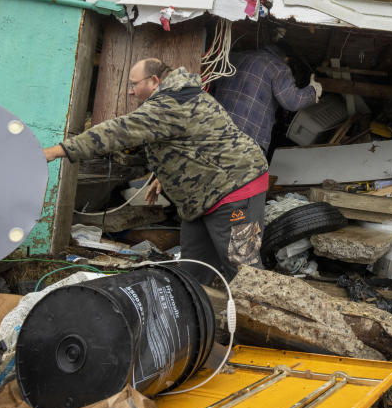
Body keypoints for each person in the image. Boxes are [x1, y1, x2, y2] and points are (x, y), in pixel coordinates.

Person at [43, 58, 268, 284]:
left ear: (153, 81)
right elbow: (192, 141)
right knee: (194, 269)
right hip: (203, 194)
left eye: (134, 84)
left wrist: (57, 151)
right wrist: (164, 175)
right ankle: (198, 313)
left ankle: (261, 314)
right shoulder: (182, 95)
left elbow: (115, 132)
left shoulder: (167, 105)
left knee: (243, 269)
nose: (131, 92)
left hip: (237, 187)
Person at [211, 44, 323, 153]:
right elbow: (292, 101)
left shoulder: (232, 57)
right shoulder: (278, 66)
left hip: (215, 132)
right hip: (247, 140)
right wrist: (313, 91)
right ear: (286, 58)